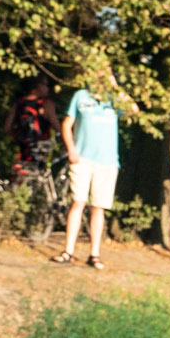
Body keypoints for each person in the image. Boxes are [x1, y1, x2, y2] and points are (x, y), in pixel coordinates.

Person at [58, 78, 123, 269]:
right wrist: (71, 149)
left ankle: (94, 254)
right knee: (78, 202)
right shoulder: (81, 96)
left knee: (98, 207)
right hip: (83, 158)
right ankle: (68, 251)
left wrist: (115, 86)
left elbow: (134, 110)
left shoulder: (115, 99)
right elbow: (67, 124)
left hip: (107, 161)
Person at [5, 74, 58, 168]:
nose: (47, 88)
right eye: (46, 85)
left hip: (22, 147)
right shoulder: (46, 104)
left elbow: (7, 128)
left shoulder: (19, 103)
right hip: (41, 146)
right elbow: (55, 123)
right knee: (40, 172)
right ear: (38, 86)